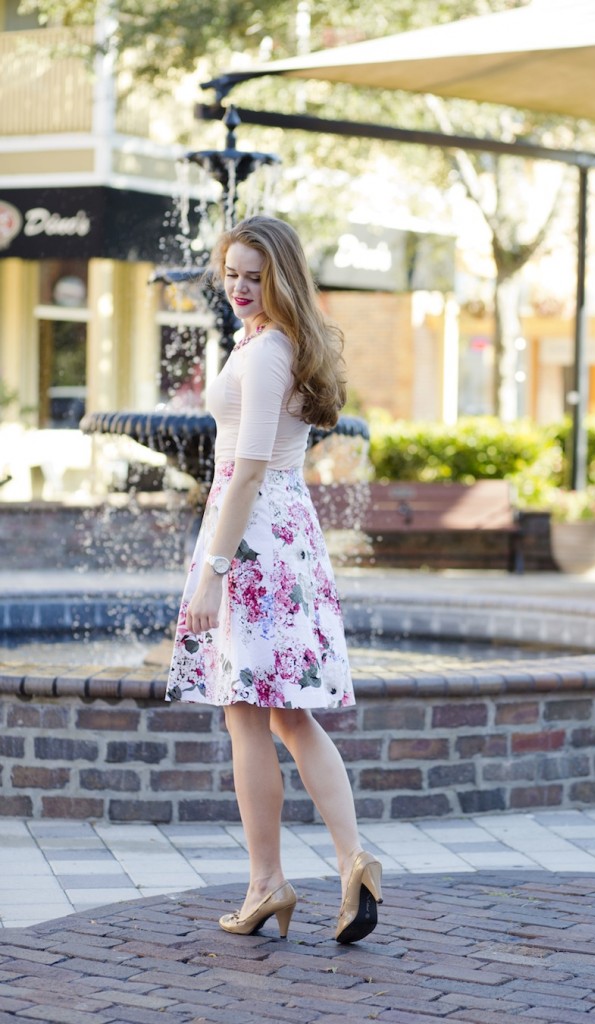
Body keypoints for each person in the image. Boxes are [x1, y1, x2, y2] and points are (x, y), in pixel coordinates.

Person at [165, 215, 382, 944]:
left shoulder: (265, 353)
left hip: (251, 535)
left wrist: (211, 576)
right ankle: (353, 859)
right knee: (289, 715)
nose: (238, 288)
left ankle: (268, 883)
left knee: (246, 715)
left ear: (282, 277)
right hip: (280, 531)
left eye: (254, 276)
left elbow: (248, 467)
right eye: (231, 273)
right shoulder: (272, 342)